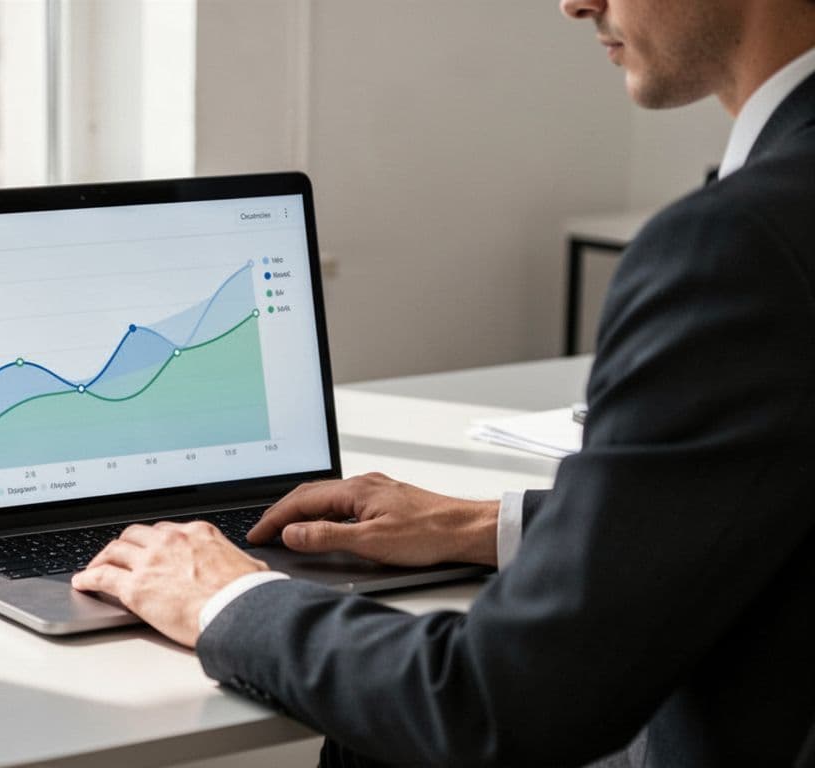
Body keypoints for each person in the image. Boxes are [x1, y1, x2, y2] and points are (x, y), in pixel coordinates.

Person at [73, 0, 815, 764]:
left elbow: (497, 702)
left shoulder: (738, 243)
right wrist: (481, 524)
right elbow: (765, 490)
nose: (575, 3)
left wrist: (225, 599)